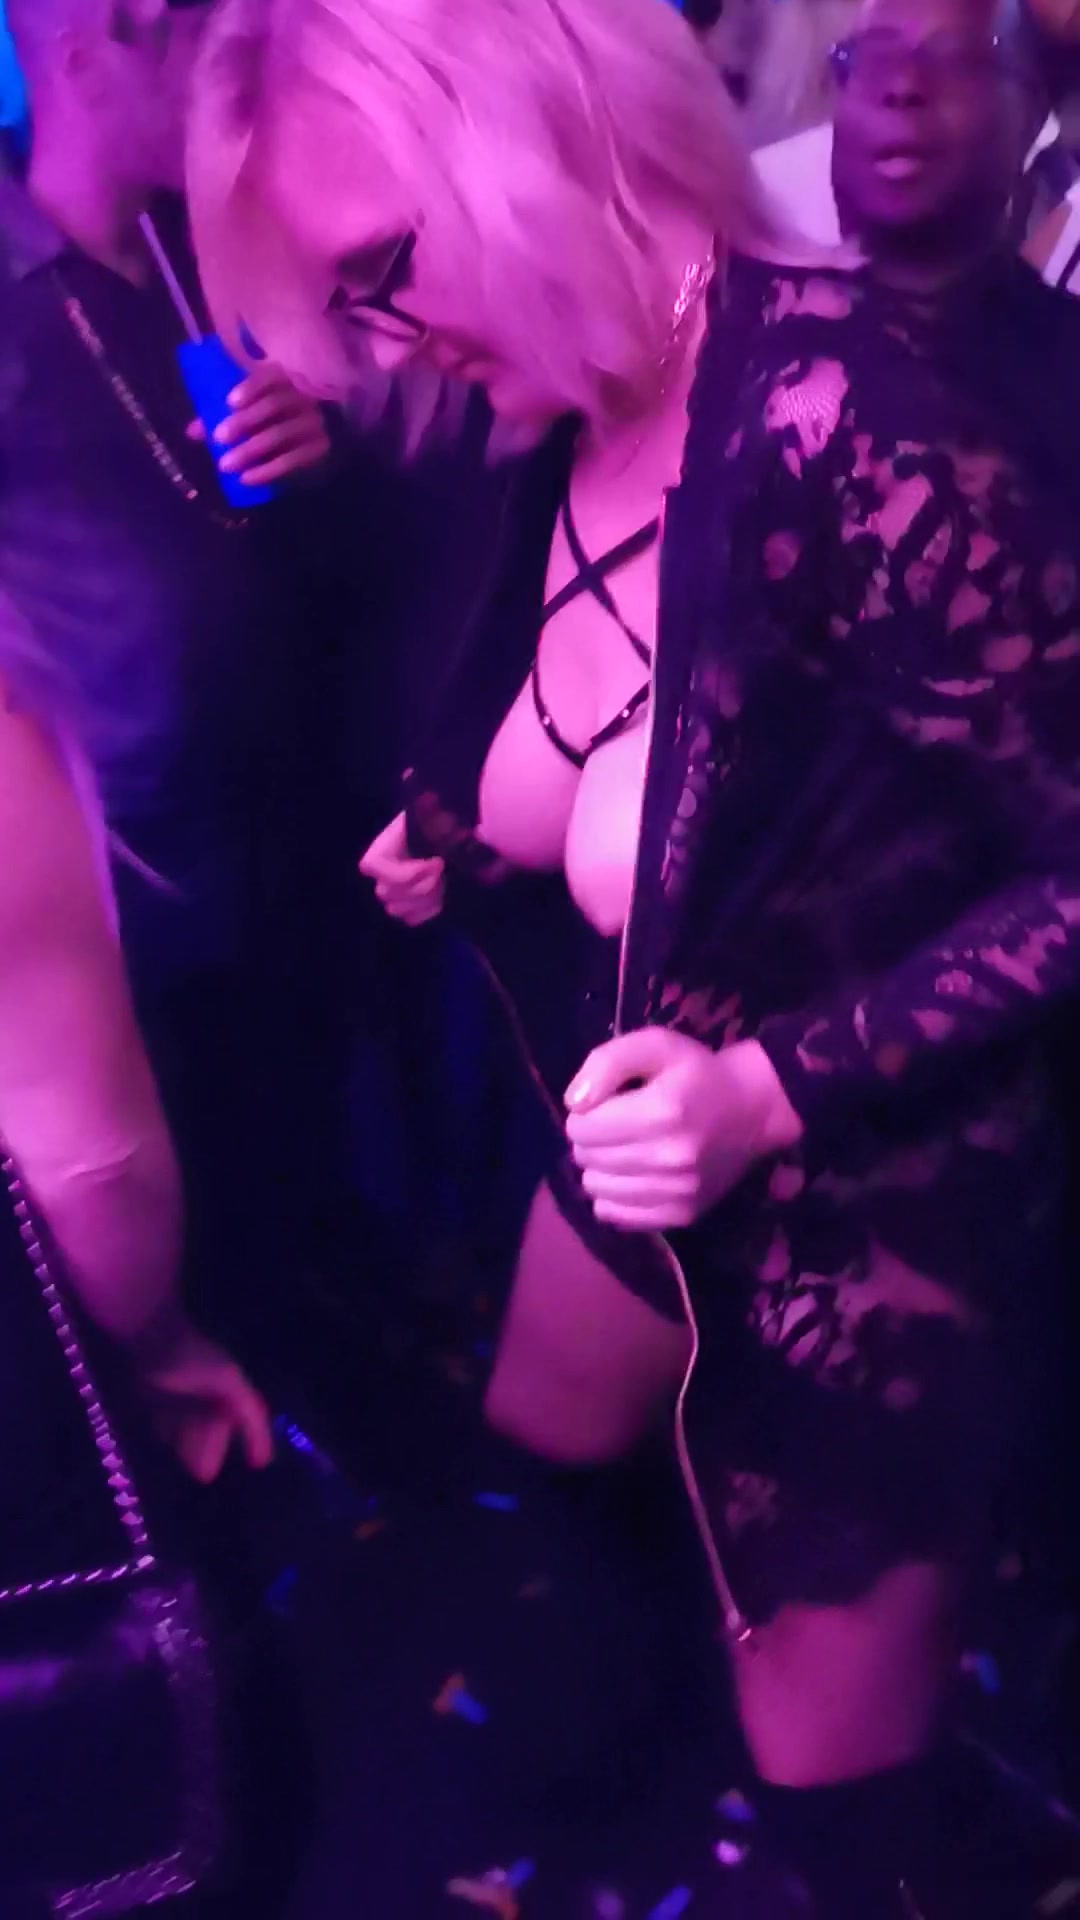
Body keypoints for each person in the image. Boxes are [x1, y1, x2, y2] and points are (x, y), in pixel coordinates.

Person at [190, 0, 1080, 1911]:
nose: (383, 347)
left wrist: (766, 1094)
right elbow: (636, 779)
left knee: (842, 1828)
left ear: (541, 129)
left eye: (383, 272)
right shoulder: (564, 419)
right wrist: (456, 838)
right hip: (637, 1173)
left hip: (869, 1234)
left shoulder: (862, 411)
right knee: (544, 1481)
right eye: (344, 309)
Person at [0, 0, 339, 1348]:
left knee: (301, 1177)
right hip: (118, 877)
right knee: (182, 1224)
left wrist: (320, 439)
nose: (224, 55)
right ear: (89, 63)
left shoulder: (207, 236)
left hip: (288, 807)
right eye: (186, 28)